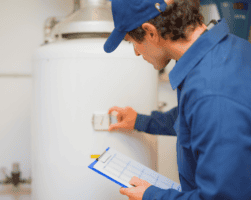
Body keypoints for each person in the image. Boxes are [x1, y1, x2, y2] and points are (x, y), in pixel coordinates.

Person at [103, 0, 251, 199]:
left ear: (151, 32)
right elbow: (193, 120)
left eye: (132, 42)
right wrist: (140, 121)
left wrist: (152, 196)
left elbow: (221, 197)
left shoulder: (211, 92)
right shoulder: (227, 50)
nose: (137, 52)